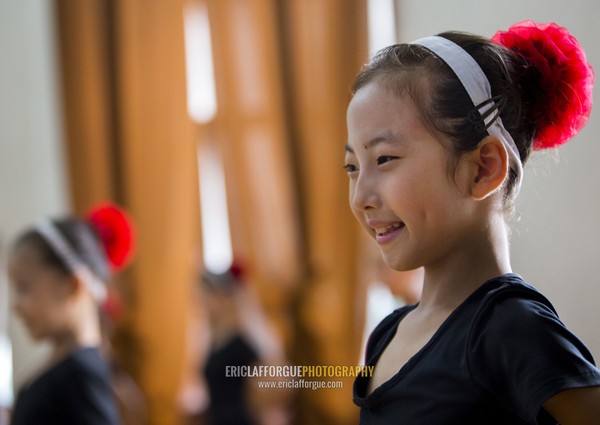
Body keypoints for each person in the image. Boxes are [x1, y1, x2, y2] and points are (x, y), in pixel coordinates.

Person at [344, 20, 600, 424]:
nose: (360, 198)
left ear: (483, 168)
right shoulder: (388, 333)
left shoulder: (513, 328)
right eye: (352, 167)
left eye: (384, 159)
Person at [8, 203, 135, 425]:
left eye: (24, 288)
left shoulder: (81, 375)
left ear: (72, 285)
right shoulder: (71, 368)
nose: (15, 307)